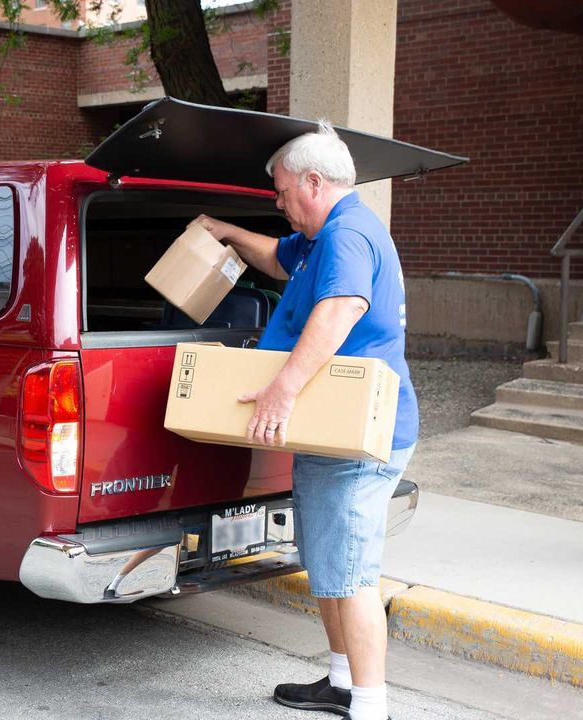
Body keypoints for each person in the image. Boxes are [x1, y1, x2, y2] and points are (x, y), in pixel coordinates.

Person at [192, 121, 416, 720]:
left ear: (315, 182)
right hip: (332, 433)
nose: (280, 203)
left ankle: (370, 706)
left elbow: (342, 309)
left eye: (285, 193)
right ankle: (341, 681)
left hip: (359, 437)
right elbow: (275, 257)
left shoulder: (347, 237)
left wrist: (281, 390)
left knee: (352, 571)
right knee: (327, 559)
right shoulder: (322, 238)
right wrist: (224, 233)